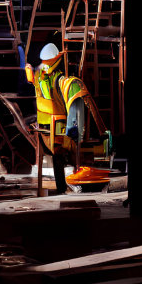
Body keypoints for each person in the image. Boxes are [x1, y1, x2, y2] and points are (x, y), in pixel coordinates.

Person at [24, 43, 108, 195]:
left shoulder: (40, 76)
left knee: (58, 156)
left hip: (47, 128)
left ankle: (62, 187)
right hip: (53, 128)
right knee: (59, 155)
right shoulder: (56, 79)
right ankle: (62, 187)